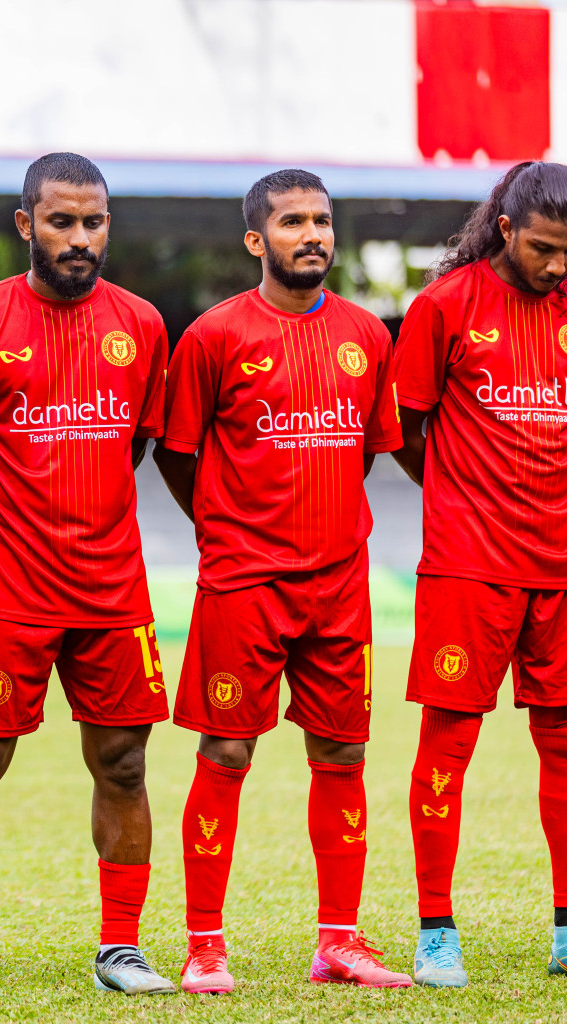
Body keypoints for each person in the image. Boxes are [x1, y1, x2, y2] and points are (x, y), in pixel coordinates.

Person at [0, 153, 173, 999]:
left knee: (125, 765)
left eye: (93, 222)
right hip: (8, 590)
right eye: (62, 222)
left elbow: (139, 442)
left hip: (112, 589)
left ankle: (121, 949)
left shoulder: (142, 325)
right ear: (27, 224)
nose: (79, 238)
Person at [154, 169, 411, 993]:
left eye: (322, 221)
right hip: (244, 582)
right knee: (226, 749)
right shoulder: (214, 336)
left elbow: (367, 450)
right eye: (293, 222)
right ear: (256, 240)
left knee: (343, 750)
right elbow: (176, 453)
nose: (312, 235)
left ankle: (339, 941)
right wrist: (225, 527)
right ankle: (204, 944)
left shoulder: (367, 335)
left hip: (339, 582)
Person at [391, 161, 567, 987]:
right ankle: (436, 931)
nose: (556, 266)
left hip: (562, 567)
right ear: (505, 229)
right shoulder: (445, 306)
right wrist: (463, 495)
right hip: (471, 565)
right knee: (450, 741)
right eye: (543, 248)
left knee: (563, 743)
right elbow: (404, 427)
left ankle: (566, 928)